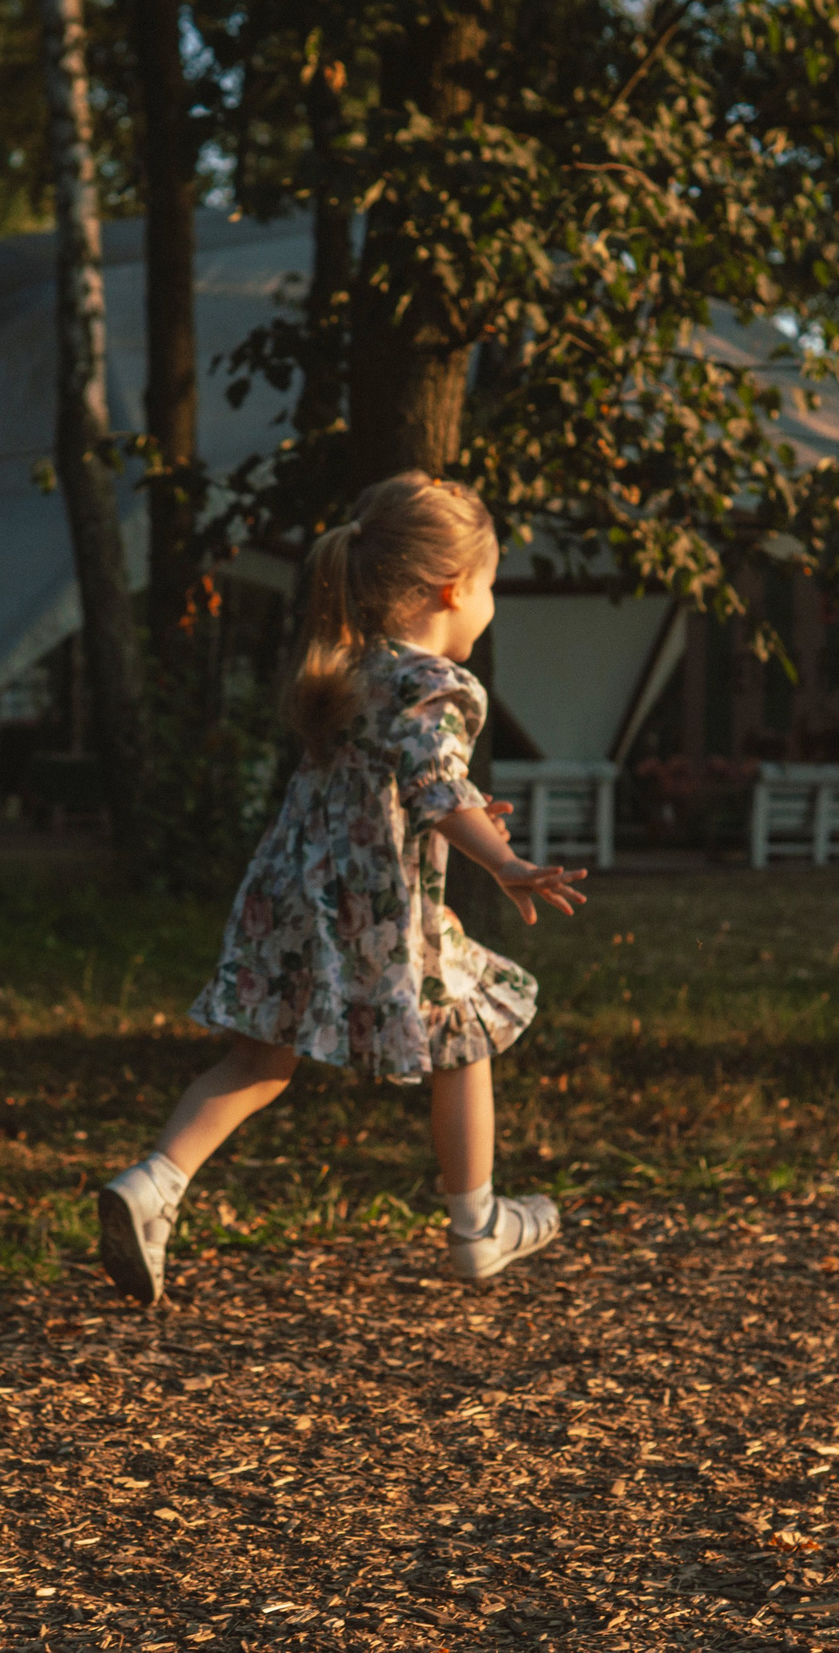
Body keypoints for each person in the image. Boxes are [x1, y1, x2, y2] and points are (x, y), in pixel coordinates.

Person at [97, 471, 587, 1303]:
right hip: (373, 912)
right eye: (494, 586)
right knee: (465, 1027)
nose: (493, 603)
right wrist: (503, 863)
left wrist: (469, 816)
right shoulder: (437, 683)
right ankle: (477, 1225)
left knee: (259, 1057)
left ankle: (153, 1184)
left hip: (291, 900)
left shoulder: (351, 668)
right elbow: (435, 781)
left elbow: (413, 790)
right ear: (452, 588)